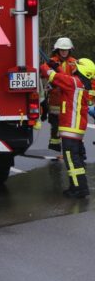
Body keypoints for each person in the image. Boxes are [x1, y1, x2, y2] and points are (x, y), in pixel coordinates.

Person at [40, 57, 94, 198]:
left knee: (72, 159)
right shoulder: (80, 83)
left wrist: (47, 65)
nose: (74, 67)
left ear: (82, 69)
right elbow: (64, 77)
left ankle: (79, 189)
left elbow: (50, 75)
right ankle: (77, 187)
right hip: (76, 128)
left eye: (76, 66)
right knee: (76, 158)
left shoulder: (74, 82)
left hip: (71, 127)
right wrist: (57, 67)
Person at [45, 37, 77, 153]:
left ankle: (68, 149)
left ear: (70, 50)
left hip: (69, 99)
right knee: (55, 125)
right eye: (62, 50)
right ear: (57, 50)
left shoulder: (73, 62)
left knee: (68, 125)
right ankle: (55, 150)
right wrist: (49, 68)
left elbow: (76, 79)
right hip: (55, 99)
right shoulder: (51, 61)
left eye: (66, 49)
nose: (64, 52)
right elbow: (44, 74)